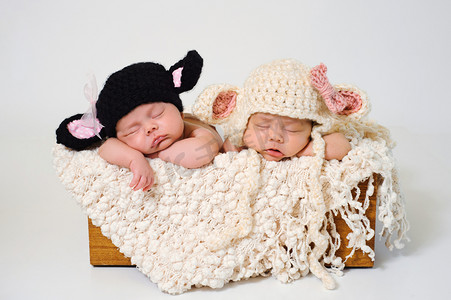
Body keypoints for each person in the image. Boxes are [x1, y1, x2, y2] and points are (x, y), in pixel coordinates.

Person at [56, 50, 222, 191]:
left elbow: (202, 151)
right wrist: (134, 159)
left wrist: (157, 154)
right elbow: (105, 148)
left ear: (180, 113)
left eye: (157, 114)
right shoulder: (127, 145)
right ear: (119, 137)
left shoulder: (196, 131)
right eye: (132, 130)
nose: (150, 128)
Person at [193, 59, 367, 163]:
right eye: (262, 125)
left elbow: (342, 146)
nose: (275, 136)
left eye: (291, 129)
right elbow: (229, 151)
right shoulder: (240, 141)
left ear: (312, 128)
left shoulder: (310, 142)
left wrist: (302, 150)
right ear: (244, 122)